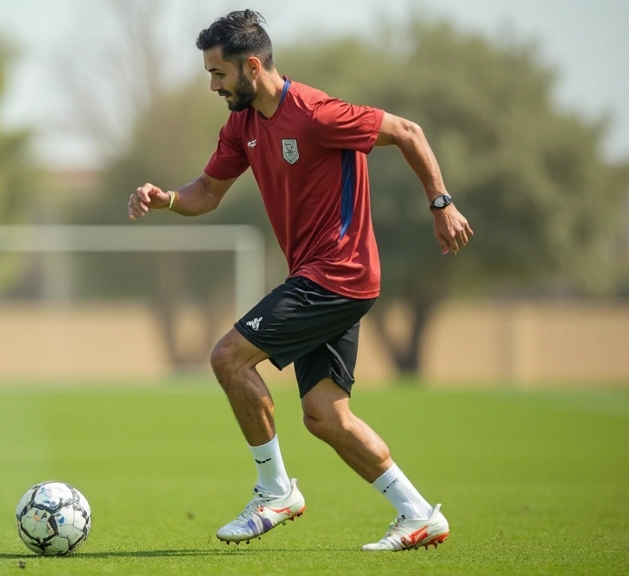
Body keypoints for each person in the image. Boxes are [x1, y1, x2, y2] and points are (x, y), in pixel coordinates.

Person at [126, 10, 473, 552]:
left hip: (339, 273)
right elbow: (208, 192)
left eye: (218, 74)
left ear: (253, 66)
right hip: (321, 277)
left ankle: (274, 490)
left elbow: (408, 131)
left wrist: (441, 203)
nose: (213, 86)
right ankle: (419, 514)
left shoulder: (315, 113)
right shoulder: (242, 125)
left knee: (227, 357)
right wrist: (166, 198)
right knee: (325, 416)